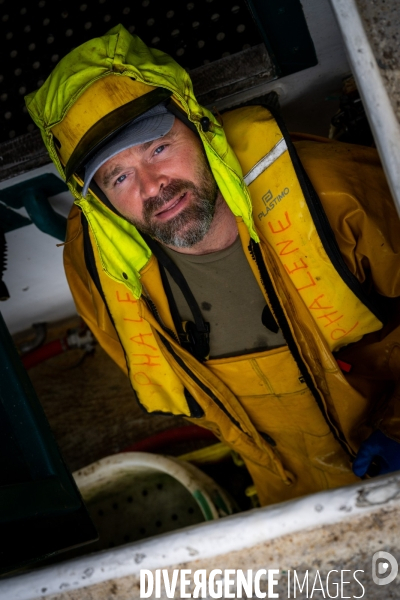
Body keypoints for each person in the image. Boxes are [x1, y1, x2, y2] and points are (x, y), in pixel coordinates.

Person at [26, 24, 400, 507]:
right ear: (96, 201)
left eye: (158, 148)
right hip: (288, 492)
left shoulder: (336, 193)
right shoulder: (97, 271)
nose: (152, 186)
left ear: (197, 123)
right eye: (119, 176)